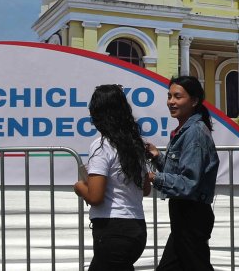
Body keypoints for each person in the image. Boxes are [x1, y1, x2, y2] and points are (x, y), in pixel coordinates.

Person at [146, 76, 220, 271]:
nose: (171, 102)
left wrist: (154, 177)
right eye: (169, 96)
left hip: (192, 215)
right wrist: (157, 157)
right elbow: (179, 170)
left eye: (177, 96)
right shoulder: (184, 131)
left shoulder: (194, 133)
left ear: (194, 101)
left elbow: (188, 182)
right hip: (184, 214)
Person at [73, 85, 150, 271]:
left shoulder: (102, 146)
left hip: (112, 230)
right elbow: (146, 188)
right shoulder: (135, 144)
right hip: (137, 228)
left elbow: (95, 197)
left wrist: (79, 187)